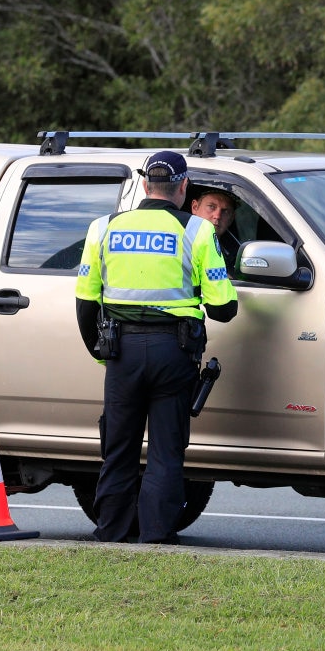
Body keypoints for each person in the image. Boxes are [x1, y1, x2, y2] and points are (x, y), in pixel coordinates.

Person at [74, 150, 238, 544]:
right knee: (166, 448)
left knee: (118, 446)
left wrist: (99, 351)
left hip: (121, 350)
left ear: (146, 185)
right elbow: (223, 309)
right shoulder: (197, 232)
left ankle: (111, 530)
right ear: (183, 188)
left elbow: (84, 301)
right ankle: (157, 533)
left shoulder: (103, 228)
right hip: (173, 352)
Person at [190, 188, 240, 271]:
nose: (217, 216)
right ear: (195, 207)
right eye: (211, 207)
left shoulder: (233, 250)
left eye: (225, 211)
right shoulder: (180, 242)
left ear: (232, 218)